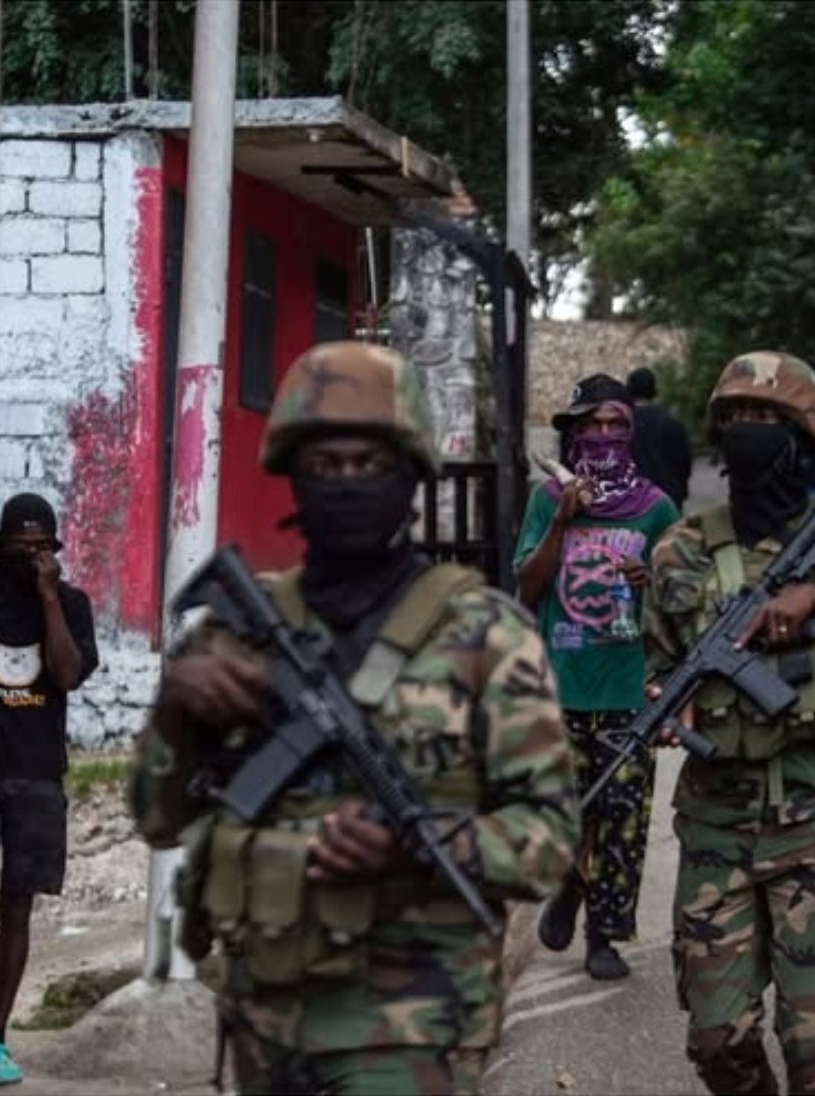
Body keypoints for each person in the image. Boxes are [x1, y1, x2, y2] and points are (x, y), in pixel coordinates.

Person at [129, 341, 579, 1095]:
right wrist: (176, 708)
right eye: (323, 464)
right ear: (291, 475)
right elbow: (156, 822)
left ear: (409, 475)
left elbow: (550, 841)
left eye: (367, 463)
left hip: (413, 1024)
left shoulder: (484, 634)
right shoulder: (237, 629)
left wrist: (415, 845)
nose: (344, 482)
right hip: (264, 1017)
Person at [644, 351, 815, 1096]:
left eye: (765, 418)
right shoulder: (680, 550)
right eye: (735, 417)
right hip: (716, 821)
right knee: (717, 1042)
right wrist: (667, 701)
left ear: (803, 435)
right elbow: (656, 663)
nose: (747, 430)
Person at [515, 373, 681, 981]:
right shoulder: (546, 500)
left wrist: (653, 581)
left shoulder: (657, 508)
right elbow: (527, 587)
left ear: (630, 431)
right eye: (593, 424)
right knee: (568, 812)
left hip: (628, 687)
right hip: (563, 684)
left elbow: (685, 597)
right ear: (575, 431)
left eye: (616, 424)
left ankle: (604, 934)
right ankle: (570, 886)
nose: (605, 434)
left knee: (623, 818)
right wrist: (561, 521)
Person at [0, 493, 100, 1086]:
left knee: (17, 909)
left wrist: (49, 596)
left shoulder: (70, 604)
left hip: (36, 777)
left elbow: (67, 674)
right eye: (20, 547)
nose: (31, 558)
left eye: (41, 548)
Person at [627, 366, 693, 510]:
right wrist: (681, 490)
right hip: (669, 499)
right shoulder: (672, 422)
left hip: (634, 503)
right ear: (654, 391)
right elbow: (684, 462)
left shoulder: (623, 425)